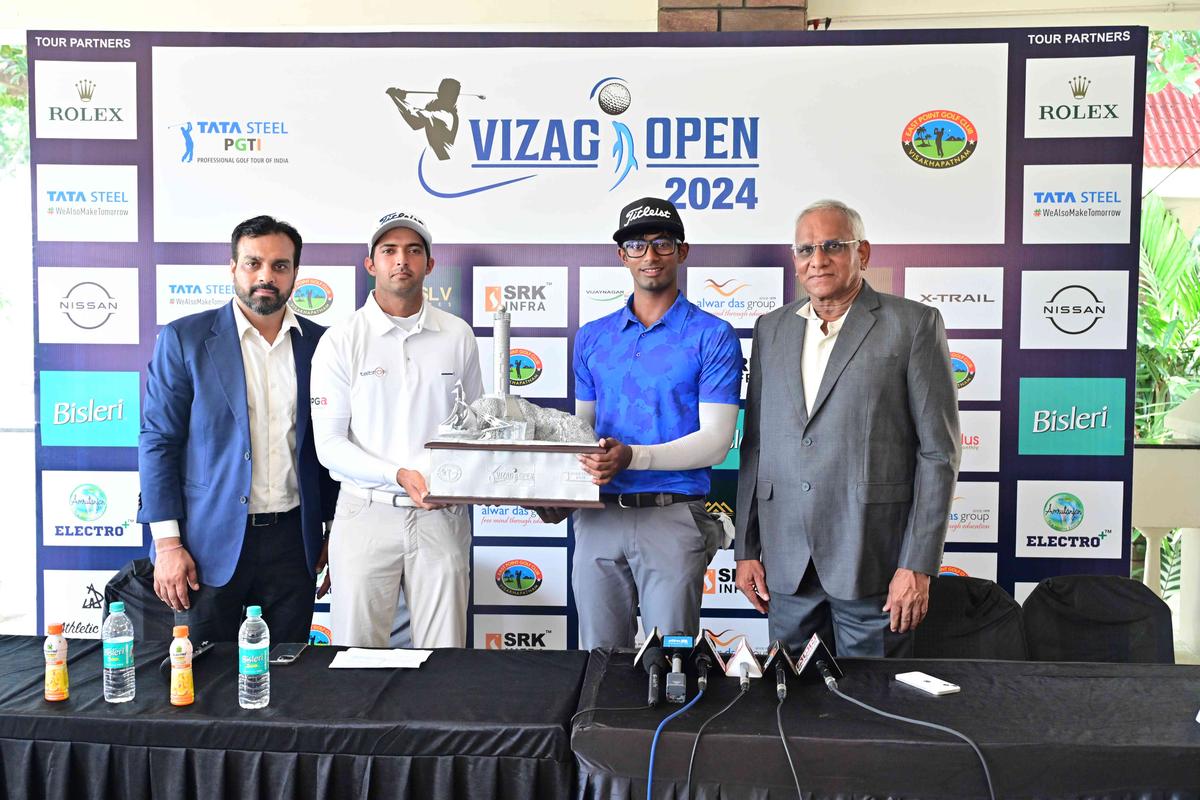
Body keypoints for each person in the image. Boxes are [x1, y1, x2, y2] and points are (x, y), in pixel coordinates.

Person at [735, 199, 960, 658]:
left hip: (873, 563)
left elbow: (938, 452)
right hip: (787, 564)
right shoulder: (770, 329)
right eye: (805, 249)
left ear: (864, 252)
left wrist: (917, 565)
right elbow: (755, 446)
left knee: (871, 712)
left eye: (832, 246)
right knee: (790, 710)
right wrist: (746, 546)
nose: (817, 260)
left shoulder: (913, 325)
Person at [138, 215, 338, 644]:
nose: (266, 276)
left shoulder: (323, 346)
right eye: (253, 263)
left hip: (294, 543)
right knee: (204, 683)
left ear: (295, 274)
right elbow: (158, 444)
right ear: (233, 268)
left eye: (280, 266)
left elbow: (332, 444)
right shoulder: (185, 339)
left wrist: (333, 530)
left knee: (287, 680)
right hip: (206, 545)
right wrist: (168, 545)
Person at [571, 197, 742, 649]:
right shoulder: (592, 336)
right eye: (637, 245)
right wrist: (553, 486)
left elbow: (717, 443)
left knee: (673, 663)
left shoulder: (713, 335)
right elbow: (580, 433)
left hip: (673, 513)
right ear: (621, 255)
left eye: (662, 243)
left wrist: (632, 456)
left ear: (682, 252)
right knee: (598, 660)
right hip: (598, 516)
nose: (650, 256)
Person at [310, 210, 483, 648]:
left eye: (412, 250)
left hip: (440, 514)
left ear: (430, 264)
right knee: (354, 657)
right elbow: (329, 445)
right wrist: (398, 475)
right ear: (371, 265)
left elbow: (475, 428)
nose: (400, 260)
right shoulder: (341, 339)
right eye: (388, 251)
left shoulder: (458, 335)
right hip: (365, 511)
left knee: (445, 659)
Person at [387, 78, 460, 161]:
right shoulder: (436, 115)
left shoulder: (445, 115)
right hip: (441, 165)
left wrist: (395, 96)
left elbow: (412, 115)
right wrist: (399, 98)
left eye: (446, 93)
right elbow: (416, 124)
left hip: (445, 164)